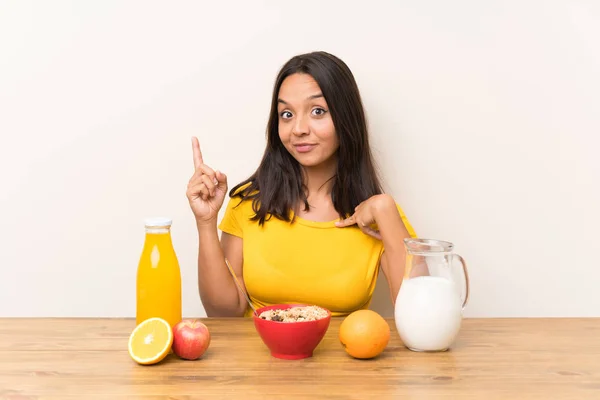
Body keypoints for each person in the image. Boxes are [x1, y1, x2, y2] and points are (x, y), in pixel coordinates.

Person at [186, 51, 417, 318]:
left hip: (342, 357)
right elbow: (223, 312)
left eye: (317, 111)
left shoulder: (380, 216)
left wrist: (385, 208)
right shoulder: (247, 204)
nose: (298, 129)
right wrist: (205, 223)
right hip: (260, 357)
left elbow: (418, 315)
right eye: (286, 114)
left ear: (346, 118)